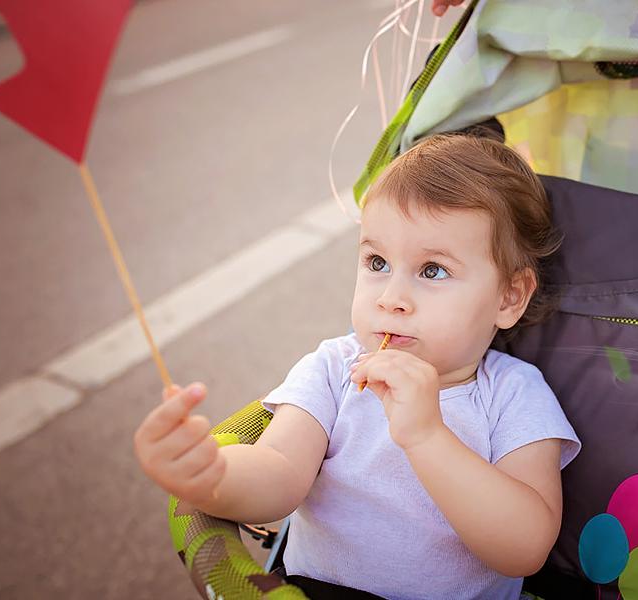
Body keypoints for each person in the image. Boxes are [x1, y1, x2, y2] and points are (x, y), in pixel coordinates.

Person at [133, 134, 580, 600]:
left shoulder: (514, 394)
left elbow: (525, 548)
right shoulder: (334, 369)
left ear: (509, 297)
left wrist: (428, 436)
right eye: (377, 261)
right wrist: (208, 474)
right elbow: (279, 473)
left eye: (433, 270)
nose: (391, 299)